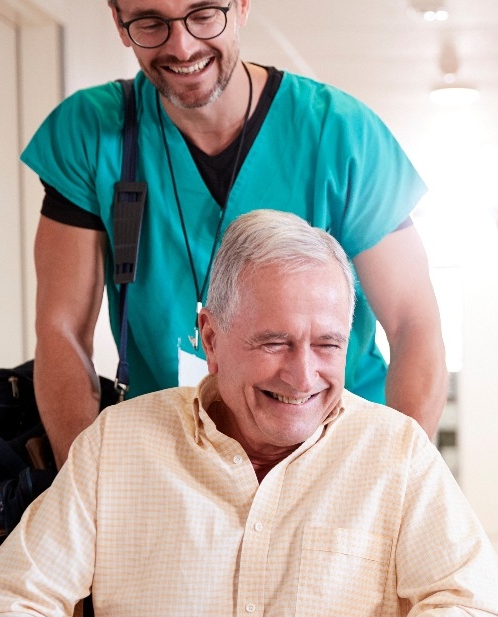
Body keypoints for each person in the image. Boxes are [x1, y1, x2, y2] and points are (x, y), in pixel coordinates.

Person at [0, 211, 498, 617]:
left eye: (327, 345)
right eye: (275, 342)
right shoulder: (118, 446)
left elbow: (482, 611)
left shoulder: (395, 452)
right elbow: (7, 605)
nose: (303, 376)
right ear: (211, 338)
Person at [28, 0, 448, 468]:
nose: (182, 46)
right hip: (171, 456)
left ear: (242, 5)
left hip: (336, 453)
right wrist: (87, 484)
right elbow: (60, 329)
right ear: (119, 22)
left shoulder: (341, 134)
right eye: (150, 23)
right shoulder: (91, 133)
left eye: (204, 14)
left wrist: (401, 482)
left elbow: (414, 323)